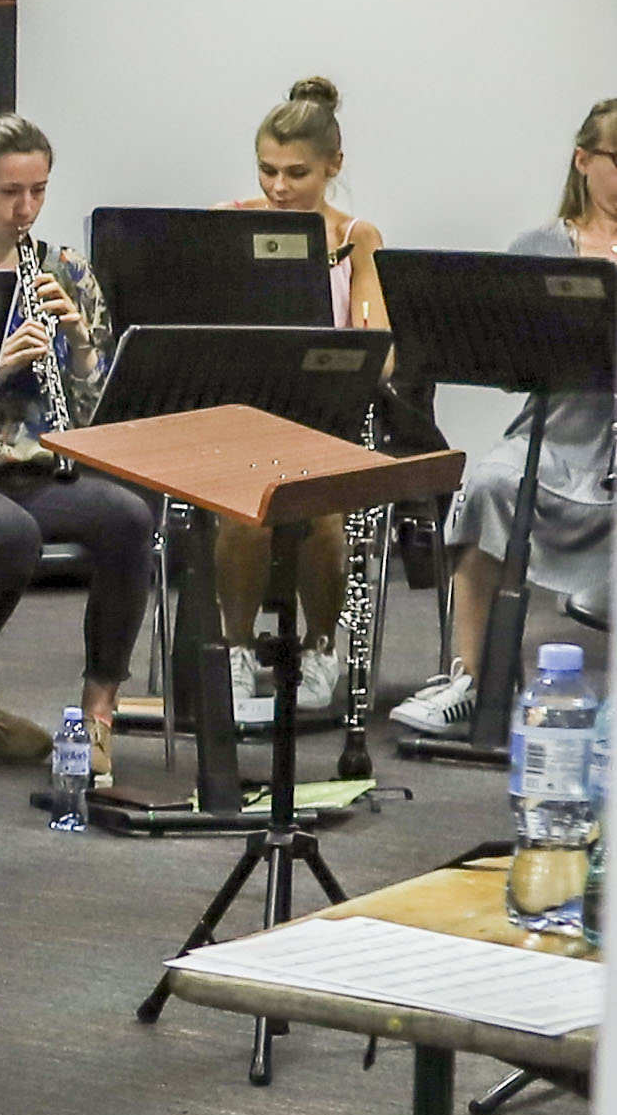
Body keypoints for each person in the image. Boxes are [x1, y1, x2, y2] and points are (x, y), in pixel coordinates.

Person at [0, 113, 156, 764]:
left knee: (129, 516)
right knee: (12, 536)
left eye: (38, 190)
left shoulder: (66, 271)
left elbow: (98, 415)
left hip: (37, 471)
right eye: (10, 192)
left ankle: (98, 714)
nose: (26, 208)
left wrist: (79, 346)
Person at [397, 97, 617, 738]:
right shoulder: (539, 247)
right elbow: (509, 356)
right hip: (559, 432)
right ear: (584, 160)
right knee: (492, 483)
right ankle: (473, 679)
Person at [207, 78, 390, 701]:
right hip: (244, 413)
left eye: (297, 173)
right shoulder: (229, 224)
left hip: (324, 415)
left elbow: (380, 351)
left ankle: (321, 646)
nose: (278, 187)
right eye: (267, 170)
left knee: (323, 513)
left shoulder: (356, 237)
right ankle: (235, 649)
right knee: (245, 514)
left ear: (333, 166)